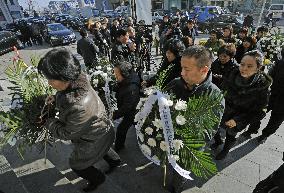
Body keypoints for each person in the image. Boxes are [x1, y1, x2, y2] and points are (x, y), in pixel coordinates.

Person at [38, 48, 121, 192]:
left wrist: (48, 121)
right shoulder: (78, 78)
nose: (49, 82)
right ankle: (115, 161)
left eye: (51, 79)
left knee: (76, 164)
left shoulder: (79, 106)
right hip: (103, 129)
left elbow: (67, 133)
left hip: (93, 140)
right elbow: (66, 92)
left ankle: (98, 179)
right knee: (106, 148)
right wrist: (56, 96)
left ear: (64, 76)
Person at [165, 45, 225, 193]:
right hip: (167, 142)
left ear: (204, 70)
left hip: (188, 149)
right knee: (167, 165)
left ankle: (176, 187)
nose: (182, 73)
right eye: (181, 68)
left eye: (187, 69)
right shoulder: (175, 83)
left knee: (180, 173)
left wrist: (181, 127)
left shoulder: (214, 97)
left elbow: (207, 132)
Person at [211, 50, 272, 160]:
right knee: (215, 126)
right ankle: (218, 140)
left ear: (258, 68)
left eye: (250, 66)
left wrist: (237, 120)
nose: (244, 68)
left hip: (241, 117)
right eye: (242, 64)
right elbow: (222, 90)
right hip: (224, 110)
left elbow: (260, 112)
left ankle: (225, 150)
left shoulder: (262, 87)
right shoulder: (232, 74)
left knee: (231, 134)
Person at [112, 61, 140, 151]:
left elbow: (126, 108)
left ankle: (118, 148)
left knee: (121, 129)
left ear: (124, 74)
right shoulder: (128, 79)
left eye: (117, 75)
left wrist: (113, 115)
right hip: (131, 106)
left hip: (133, 111)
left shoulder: (131, 89)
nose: (115, 77)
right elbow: (120, 85)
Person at [257, 49, 284, 143]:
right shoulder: (280, 63)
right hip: (272, 94)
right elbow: (269, 77)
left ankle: (265, 134)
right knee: (258, 112)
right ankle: (252, 128)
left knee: (276, 120)